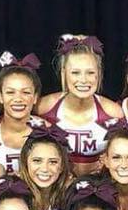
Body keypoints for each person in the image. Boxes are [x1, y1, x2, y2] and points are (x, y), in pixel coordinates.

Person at [38, 34, 122, 175]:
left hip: (100, 185)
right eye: (75, 73)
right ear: (64, 73)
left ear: (99, 73)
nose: (83, 80)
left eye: (90, 72)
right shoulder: (44, 108)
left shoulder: (113, 112)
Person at [0, 51, 43, 174]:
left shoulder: (48, 131)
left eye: (26, 92)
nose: (18, 99)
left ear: (35, 97)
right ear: (0, 97)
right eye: (10, 92)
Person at [18, 123, 73, 210]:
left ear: (62, 166)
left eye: (53, 162)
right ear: (25, 162)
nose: (44, 169)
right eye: (37, 161)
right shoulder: (13, 191)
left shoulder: (72, 191)